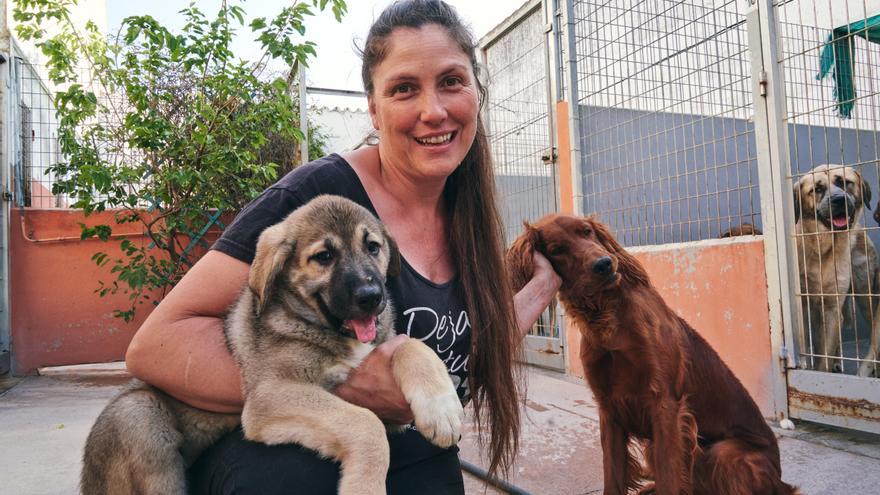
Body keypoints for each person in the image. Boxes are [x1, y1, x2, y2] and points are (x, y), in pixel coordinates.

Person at [124, 1, 561, 493]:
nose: (433, 110)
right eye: (403, 88)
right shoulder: (313, 200)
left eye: (452, 81)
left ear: (477, 92)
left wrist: (545, 285)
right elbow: (155, 347)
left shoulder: (468, 210)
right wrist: (342, 385)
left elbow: (470, 351)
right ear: (373, 107)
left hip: (413, 453)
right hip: (286, 458)